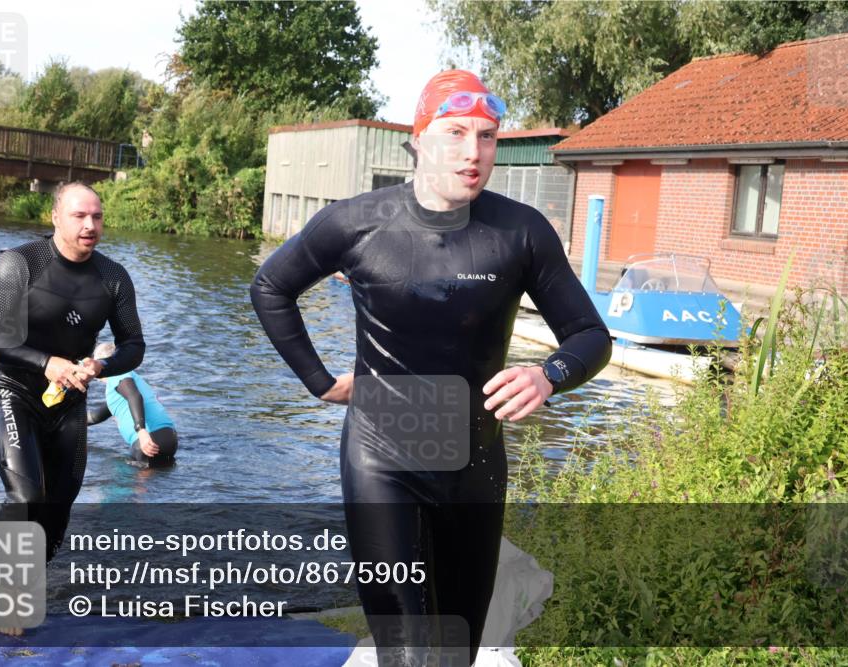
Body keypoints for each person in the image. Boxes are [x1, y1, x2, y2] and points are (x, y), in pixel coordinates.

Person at [250, 69, 611, 665]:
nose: (473, 152)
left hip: (474, 463)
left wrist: (548, 374)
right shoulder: (356, 222)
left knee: (457, 652)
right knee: (410, 654)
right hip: (382, 460)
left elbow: (590, 335)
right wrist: (318, 381)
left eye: (488, 135)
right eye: (455, 132)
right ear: (419, 138)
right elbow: (271, 287)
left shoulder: (520, 233)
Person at [0, 181, 145, 561]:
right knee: (26, 497)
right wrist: (46, 362)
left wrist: (101, 366)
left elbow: (134, 345)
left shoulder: (113, 277)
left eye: (97, 217)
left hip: (68, 402)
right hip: (15, 393)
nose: (90, 225)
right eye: (79, 215)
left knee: (59, 504)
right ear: (55, 217)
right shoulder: (20, 263)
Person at [86, 342, 177, 467]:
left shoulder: (116, 375)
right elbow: (96, 416)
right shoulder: (125, 384)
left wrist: (141, 431)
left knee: (122, 482)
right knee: (157, 478)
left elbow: (134, 396)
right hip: (169, 438)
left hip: (148, 440)